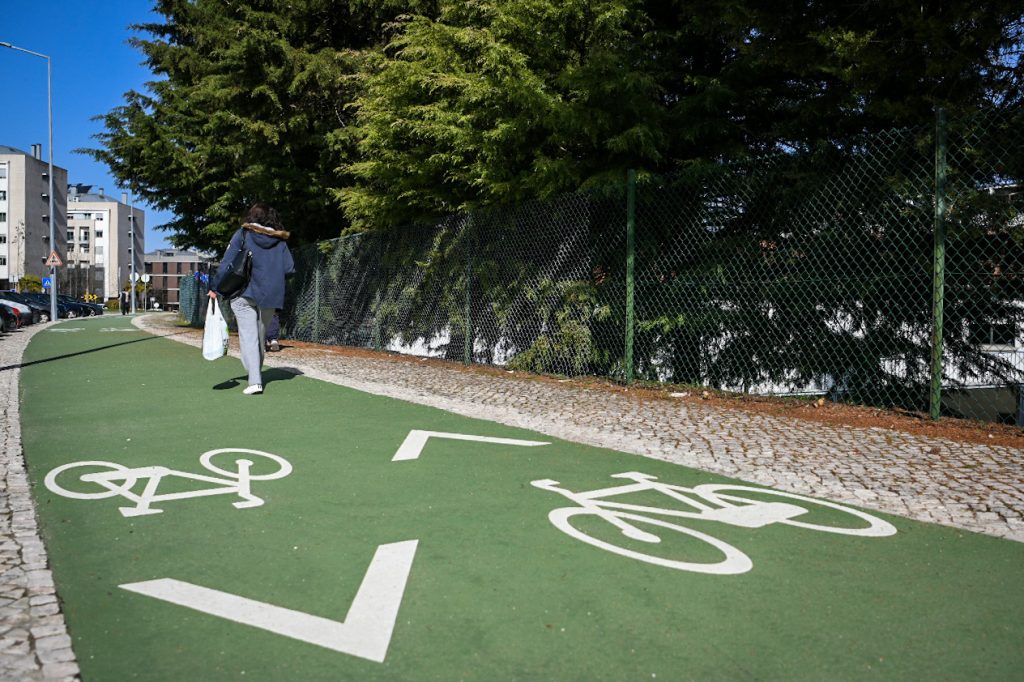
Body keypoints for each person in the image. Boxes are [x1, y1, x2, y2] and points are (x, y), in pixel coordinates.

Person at [209, 203, 295, 395]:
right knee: (260, 336)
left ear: (251, 217)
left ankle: (254, 380)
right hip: (271, 294)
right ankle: (256, 374)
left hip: (244, 292)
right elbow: (289, 268)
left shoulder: (243, 234)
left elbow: (227, 263)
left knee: (249, 337)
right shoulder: (280, 241)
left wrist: (216, 288)